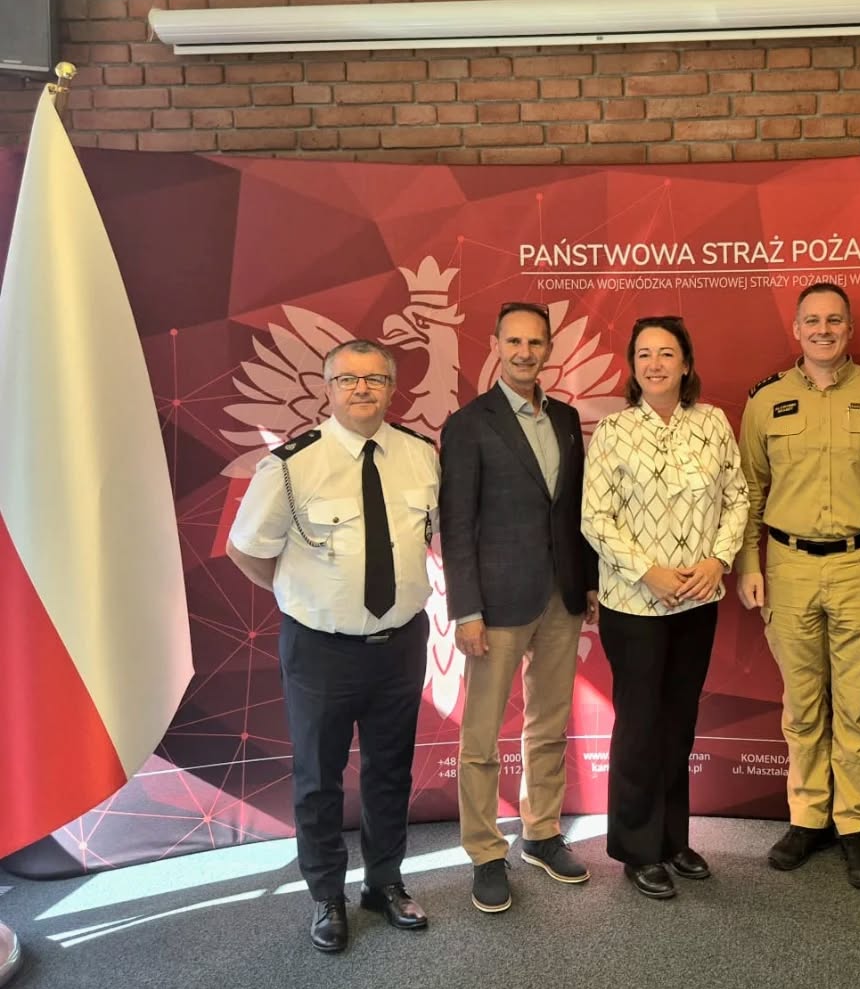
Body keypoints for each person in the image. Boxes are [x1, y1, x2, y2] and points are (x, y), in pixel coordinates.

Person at [227, 339, 438, 954]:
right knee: (318, 777)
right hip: (321, 649)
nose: (362, 388)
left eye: (375, 378)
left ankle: (384, 882)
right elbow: (246, 549)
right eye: (348, 379)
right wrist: (302, 595)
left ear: (393, 387)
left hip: (400, 642)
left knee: (390, 768)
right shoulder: (292, 465)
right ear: (328, 388)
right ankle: (326, 895)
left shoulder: (421, 455)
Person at [737, 282, 860, 890]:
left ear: (850, 329)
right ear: (796, 329)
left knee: (859, 704)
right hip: (789, 568)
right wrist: (749, 563)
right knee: (803, 703)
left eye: (834, 320)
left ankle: (857, 823)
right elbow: (749, 491)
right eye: (812, 320)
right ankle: (809, 817)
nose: (823, 330)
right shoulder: (766, 400)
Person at [439, 301, 599, 915]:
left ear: (548, 348)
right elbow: (457, 525)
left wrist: (587, 582)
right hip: (496, 604)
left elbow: (575, 509)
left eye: (535, 342)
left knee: (549, 725)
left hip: (561, 597)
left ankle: (541, 832)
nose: (525, 352)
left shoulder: (566, 417)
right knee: (481, 736)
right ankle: (485, 852)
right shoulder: (468, 424)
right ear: (496, 345)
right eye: (514, 341)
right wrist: (466, 610)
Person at [581, 316, 748, 899]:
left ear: (686, 364)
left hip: (698, 598)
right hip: (635, 603)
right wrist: (647, 571)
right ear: (634, 367)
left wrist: (718, 560)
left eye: (667, 353)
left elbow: (738, 497)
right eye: (644, 354)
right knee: (641, 723)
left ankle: (674, 839)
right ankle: (637, 847)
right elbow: (595, 517)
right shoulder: (614, 430)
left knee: (678, 721)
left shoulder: (712, 423)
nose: (655, 364)